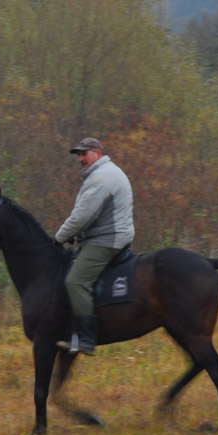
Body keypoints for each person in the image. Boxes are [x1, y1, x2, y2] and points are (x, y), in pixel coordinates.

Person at [54, 137, 135, 355]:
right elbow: (91, 217)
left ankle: (86, 339)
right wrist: (77, 234)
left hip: (107, 240)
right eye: (78, 155)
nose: (80, 159)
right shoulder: (103, 173)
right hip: (107, 235)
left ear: (98, 153)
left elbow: (81, 217)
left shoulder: (101, 178)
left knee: (75, 281)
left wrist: (58, 239)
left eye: (84, 154)